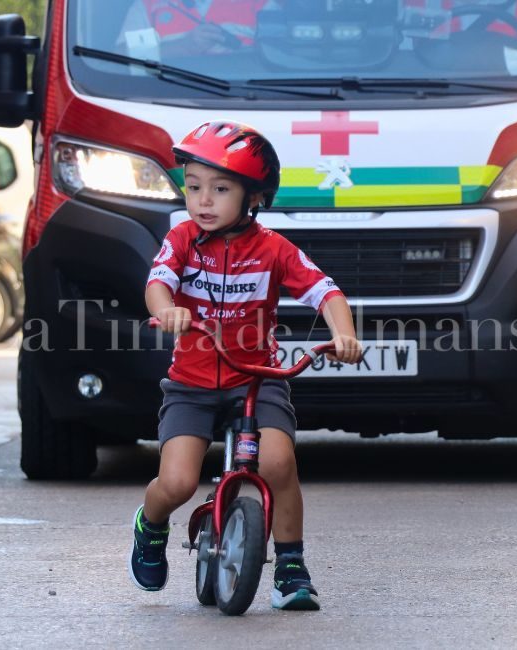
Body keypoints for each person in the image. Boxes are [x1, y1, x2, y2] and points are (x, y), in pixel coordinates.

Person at [131, 120, 362, 611]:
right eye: (193, 188)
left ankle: (292, 566)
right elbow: (158, 283)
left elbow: (326, 290)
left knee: (279, 463)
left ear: (254, 197)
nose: (203, 201)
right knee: (176, 482)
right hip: (191, 384)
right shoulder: (182, 240)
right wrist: (165, 309)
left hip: (257, 381)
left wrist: (343, 332)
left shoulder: (273, 249)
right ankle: (150, 527)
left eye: (220, 189)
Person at [117, 0, 270, 58]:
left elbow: (286, 56)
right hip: (167, 98)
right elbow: (123, 57)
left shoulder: (258, 4)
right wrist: (185, 46)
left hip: (246, 98)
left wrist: (241, 51)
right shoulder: (149, 5)